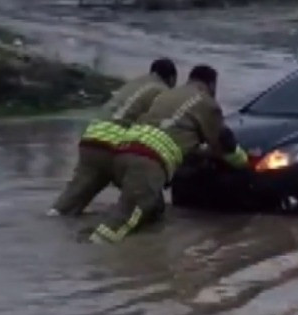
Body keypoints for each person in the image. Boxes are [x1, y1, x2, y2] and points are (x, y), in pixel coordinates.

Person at [87, 64, 250, 244]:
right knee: (123, 220)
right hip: (148, 162)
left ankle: (147, 254)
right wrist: (244, 161)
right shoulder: (207, 104)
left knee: (154, 212)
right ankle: (90, 254)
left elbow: (175, 133)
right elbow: (222, 143)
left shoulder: (167, 94)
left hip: (121, 153)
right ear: (212, 85)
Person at [47, 58, 178, 216]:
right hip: (117, 146)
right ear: (171, 79)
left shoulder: (133, 84)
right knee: (147, 200)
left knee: (73, 198)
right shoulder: (164, 92)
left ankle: (54, 216)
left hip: (92, 138)